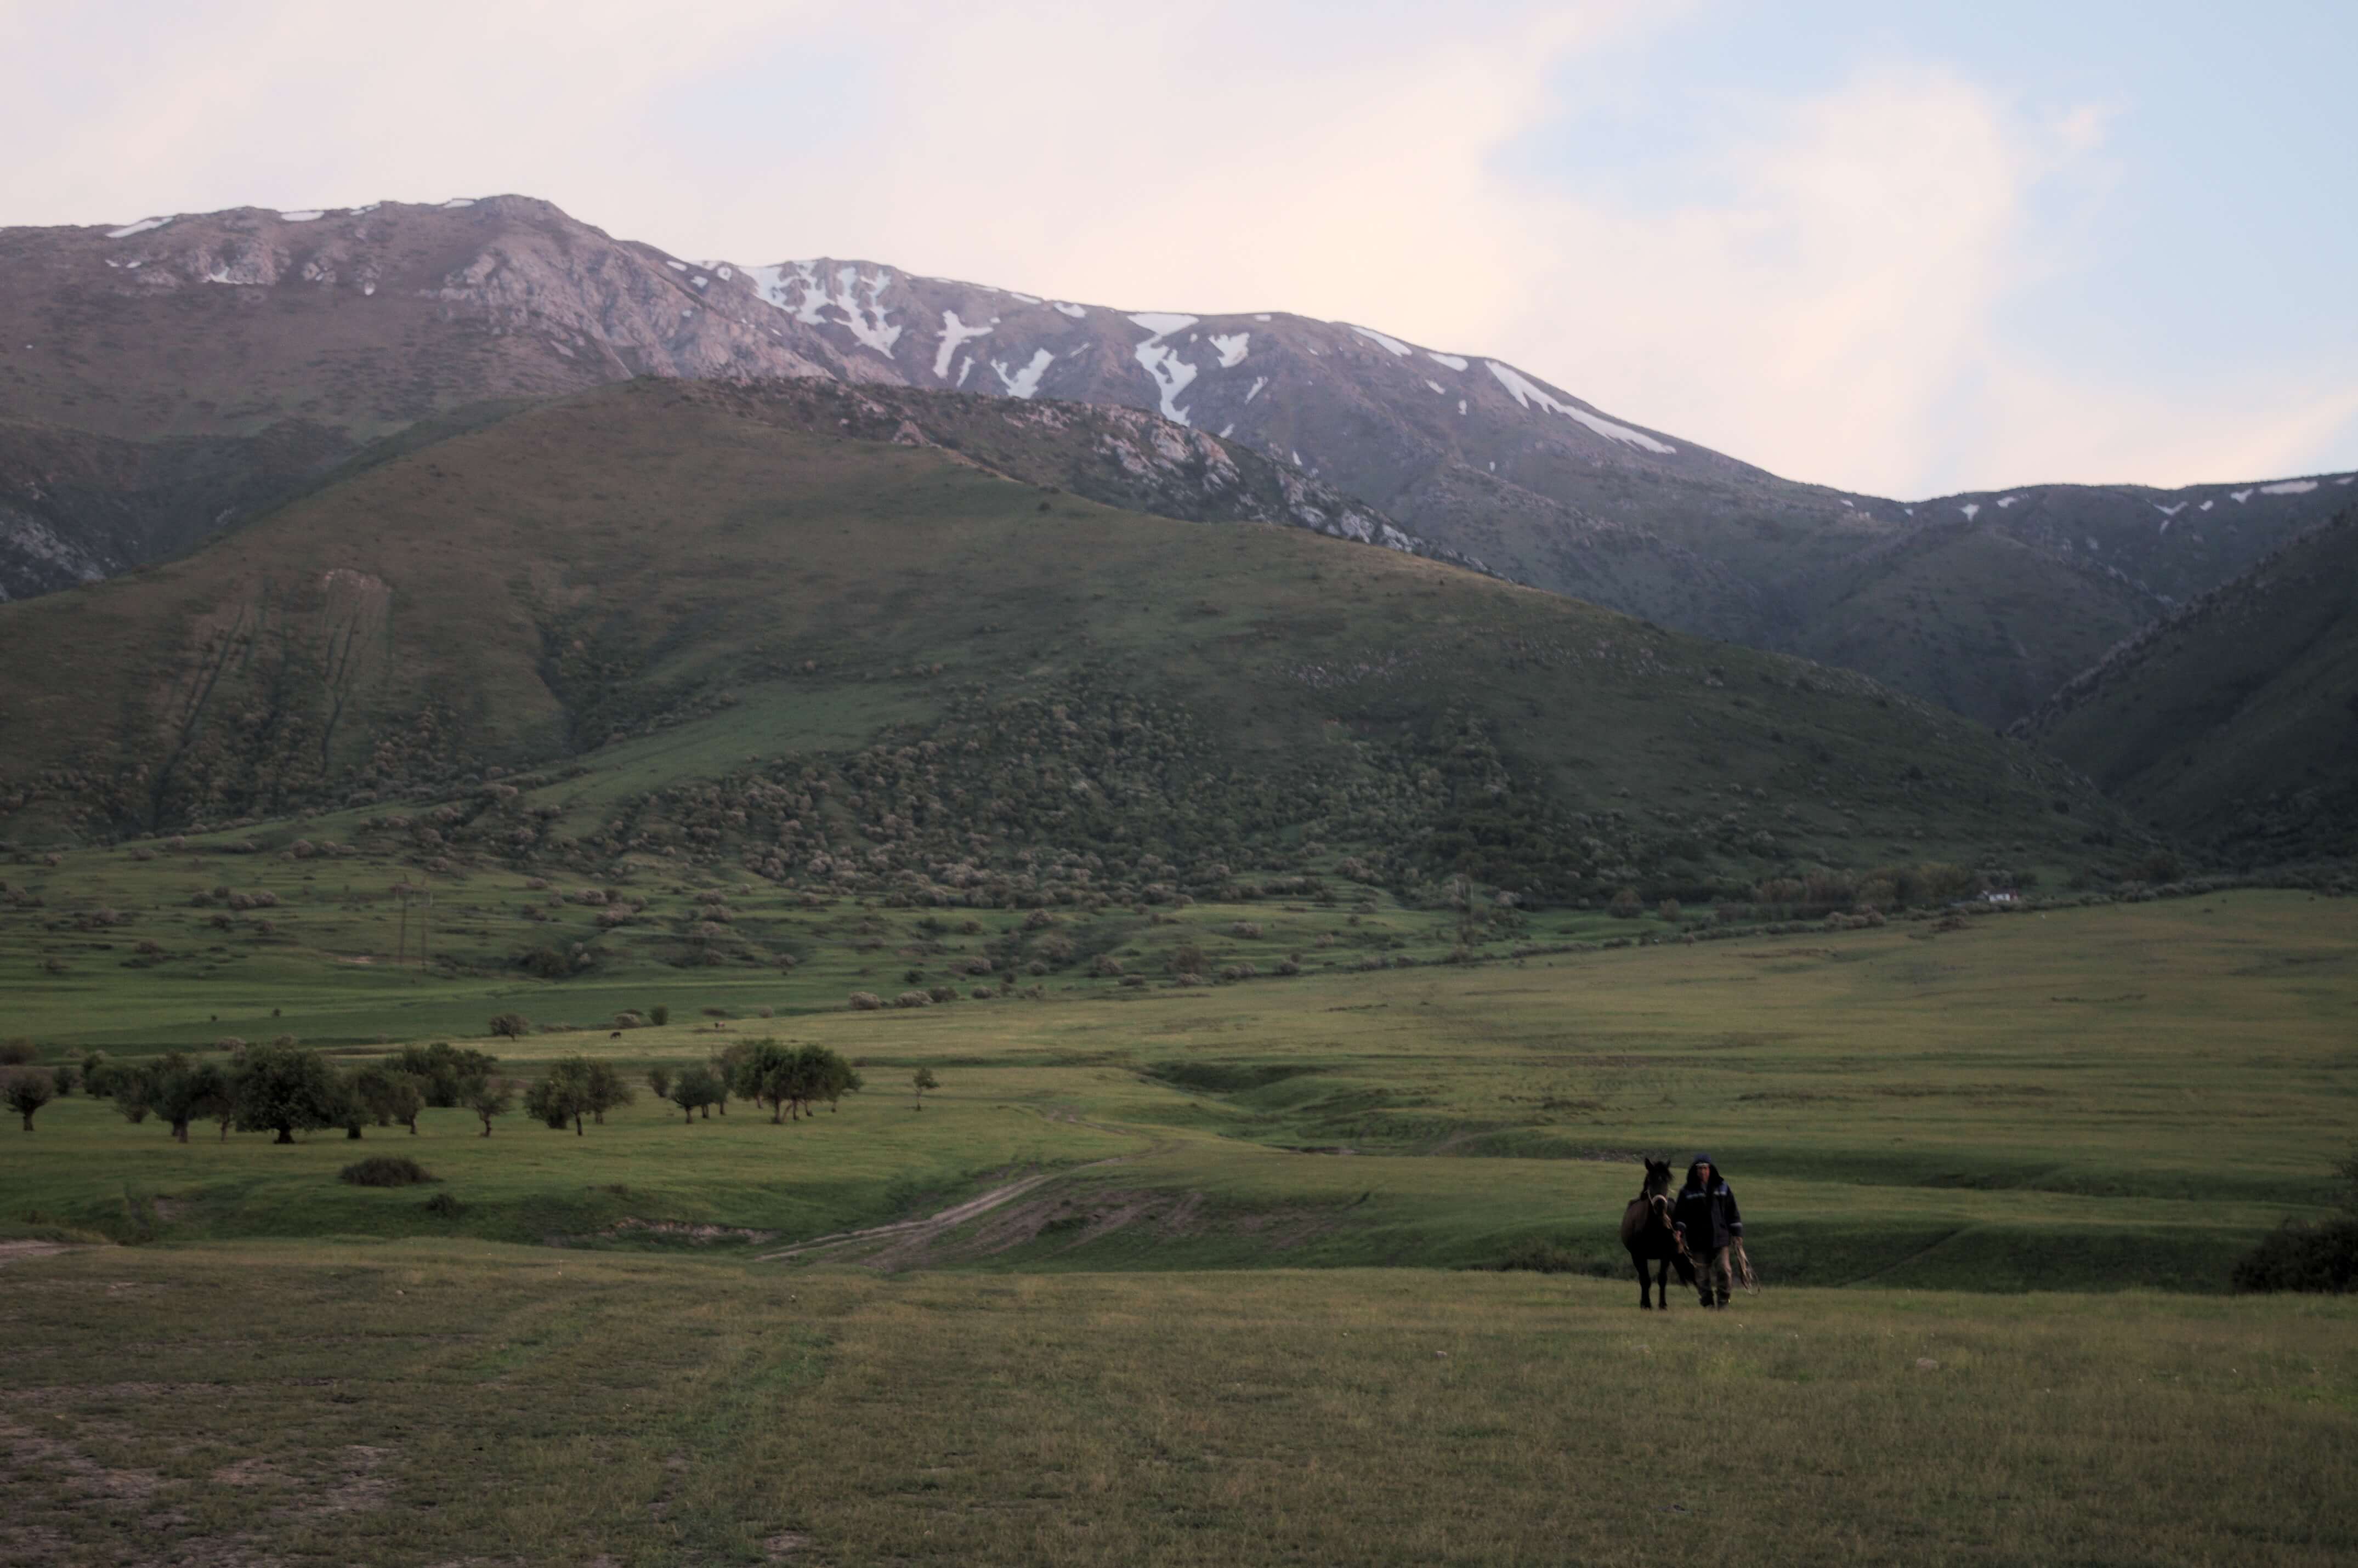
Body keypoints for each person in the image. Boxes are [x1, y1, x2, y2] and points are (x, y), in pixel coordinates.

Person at [1672, 1154, 1743, 1308]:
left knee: (1724, 1270)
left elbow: (1732, 1211)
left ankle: (1723, 1301)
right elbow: (1681, 1215)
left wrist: (1737, 1233)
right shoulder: (1687, 1191)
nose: (1703, 1172)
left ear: (1710, 1169)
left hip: (1720, 1237)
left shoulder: (1722, 1187)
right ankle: (1708, 1303)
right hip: (1698, 1240)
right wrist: (1679, 1231)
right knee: (1702, 1276)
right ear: (1695, 1171)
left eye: (1705, 1168)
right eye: (1700, 1169)